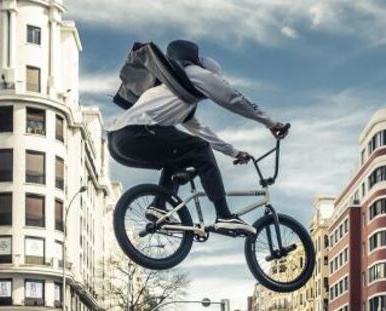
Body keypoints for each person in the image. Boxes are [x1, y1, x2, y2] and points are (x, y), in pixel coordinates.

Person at [108, 40, 288, 233]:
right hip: (137, 132)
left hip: (118, 142)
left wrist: (234, 152)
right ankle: (224, 215)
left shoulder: (178, 94)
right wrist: (270, 123)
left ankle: (159, 206)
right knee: (199, 148)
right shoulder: (194, 73)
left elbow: (203, 131)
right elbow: (233, 98)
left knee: (180, 155)